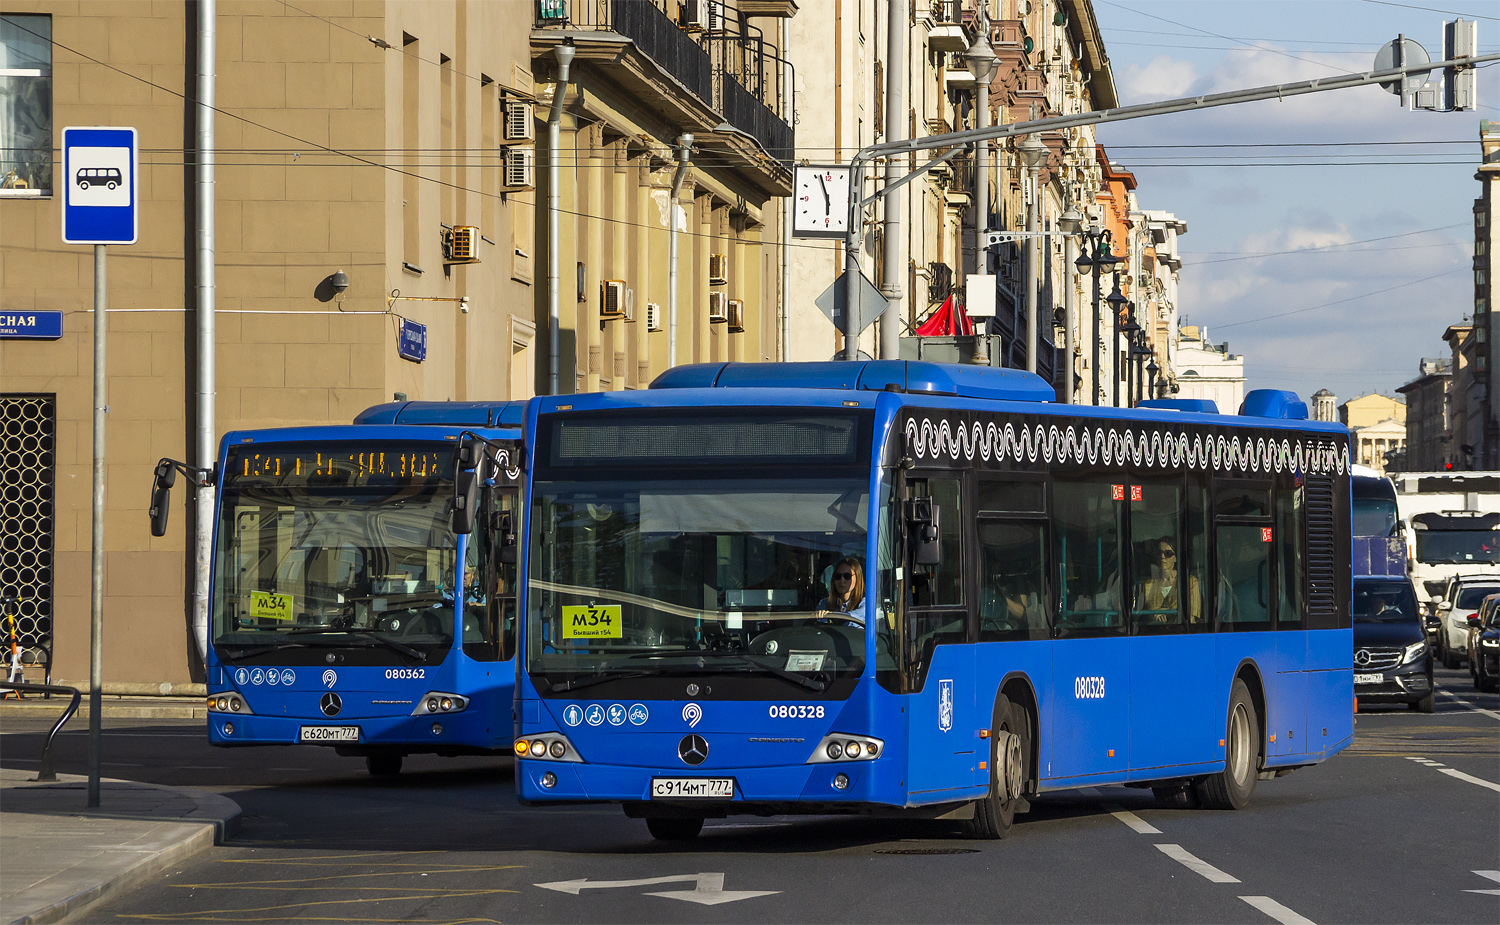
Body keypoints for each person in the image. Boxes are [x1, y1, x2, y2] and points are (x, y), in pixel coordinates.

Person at [816, 557, 866, 624]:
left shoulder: (865, 603)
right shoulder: (824, 604)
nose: (842, 580)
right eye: (838, 576)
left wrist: (832, 616)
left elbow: (861, 615)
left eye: (847, 576)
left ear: (858, 578)